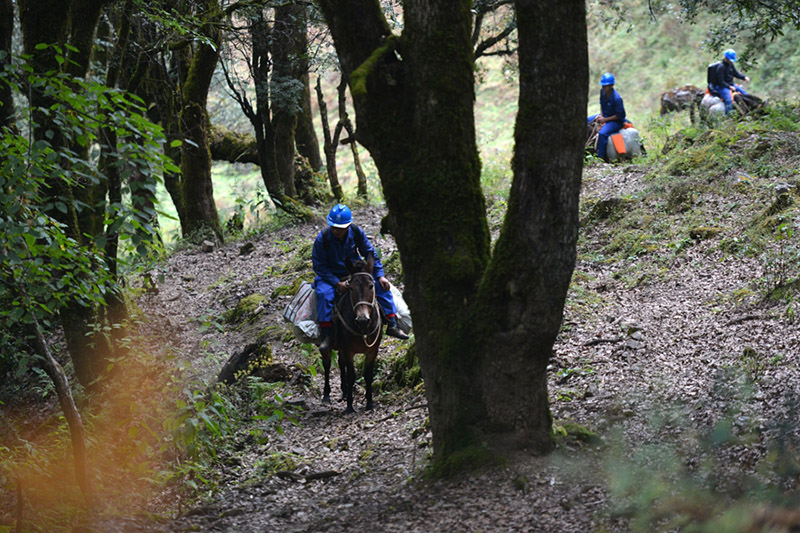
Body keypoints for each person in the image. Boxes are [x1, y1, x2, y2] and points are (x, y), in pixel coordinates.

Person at [312, 204, 409, 351]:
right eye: (334, 227)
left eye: (340, 227)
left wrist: (380, 276)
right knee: (324, 295)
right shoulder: (323, 238)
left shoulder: (356, 232)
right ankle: (326, 335)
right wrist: (336, 283)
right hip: (330, 275)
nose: (336, 231)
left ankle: (392, 323)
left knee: (380, 288)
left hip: (355, 271)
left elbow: (370, 254)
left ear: (348, 226)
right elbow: (318, 265)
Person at [587, 72, 626, 162]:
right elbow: (601, 104)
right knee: (586, 121)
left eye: (605, 86)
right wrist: (601, 115)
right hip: (605, 116)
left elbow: (620, 115)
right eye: (602, 86)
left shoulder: (617, 99)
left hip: (616, 121)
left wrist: (605, 120)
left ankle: (600, 157)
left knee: (602, 133)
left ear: (611, 86)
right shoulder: (602, 92)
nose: (603, 87)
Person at [707, 48, 751, 114]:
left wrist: (744, 77)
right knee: (729, 100)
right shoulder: (721, 67)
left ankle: (747, 111)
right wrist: (729, 87)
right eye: (730, 60)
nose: (731, 61)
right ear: (726, 58)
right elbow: (720, 81)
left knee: (745, 94)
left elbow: (736, 73)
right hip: (722, 87)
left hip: (731, 85)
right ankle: (728, 116)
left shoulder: (731, 65)